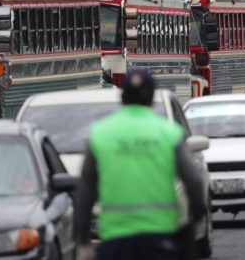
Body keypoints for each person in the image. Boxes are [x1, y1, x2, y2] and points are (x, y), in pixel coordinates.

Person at [75, 71, 206, 260]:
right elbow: (193, 181)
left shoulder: (100, 133)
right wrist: (196, 218)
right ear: (152, 98)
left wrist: (83, 240)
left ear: (122, 97)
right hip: (161, 237)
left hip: (115, 240)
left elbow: (85, 192)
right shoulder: (169, 133)